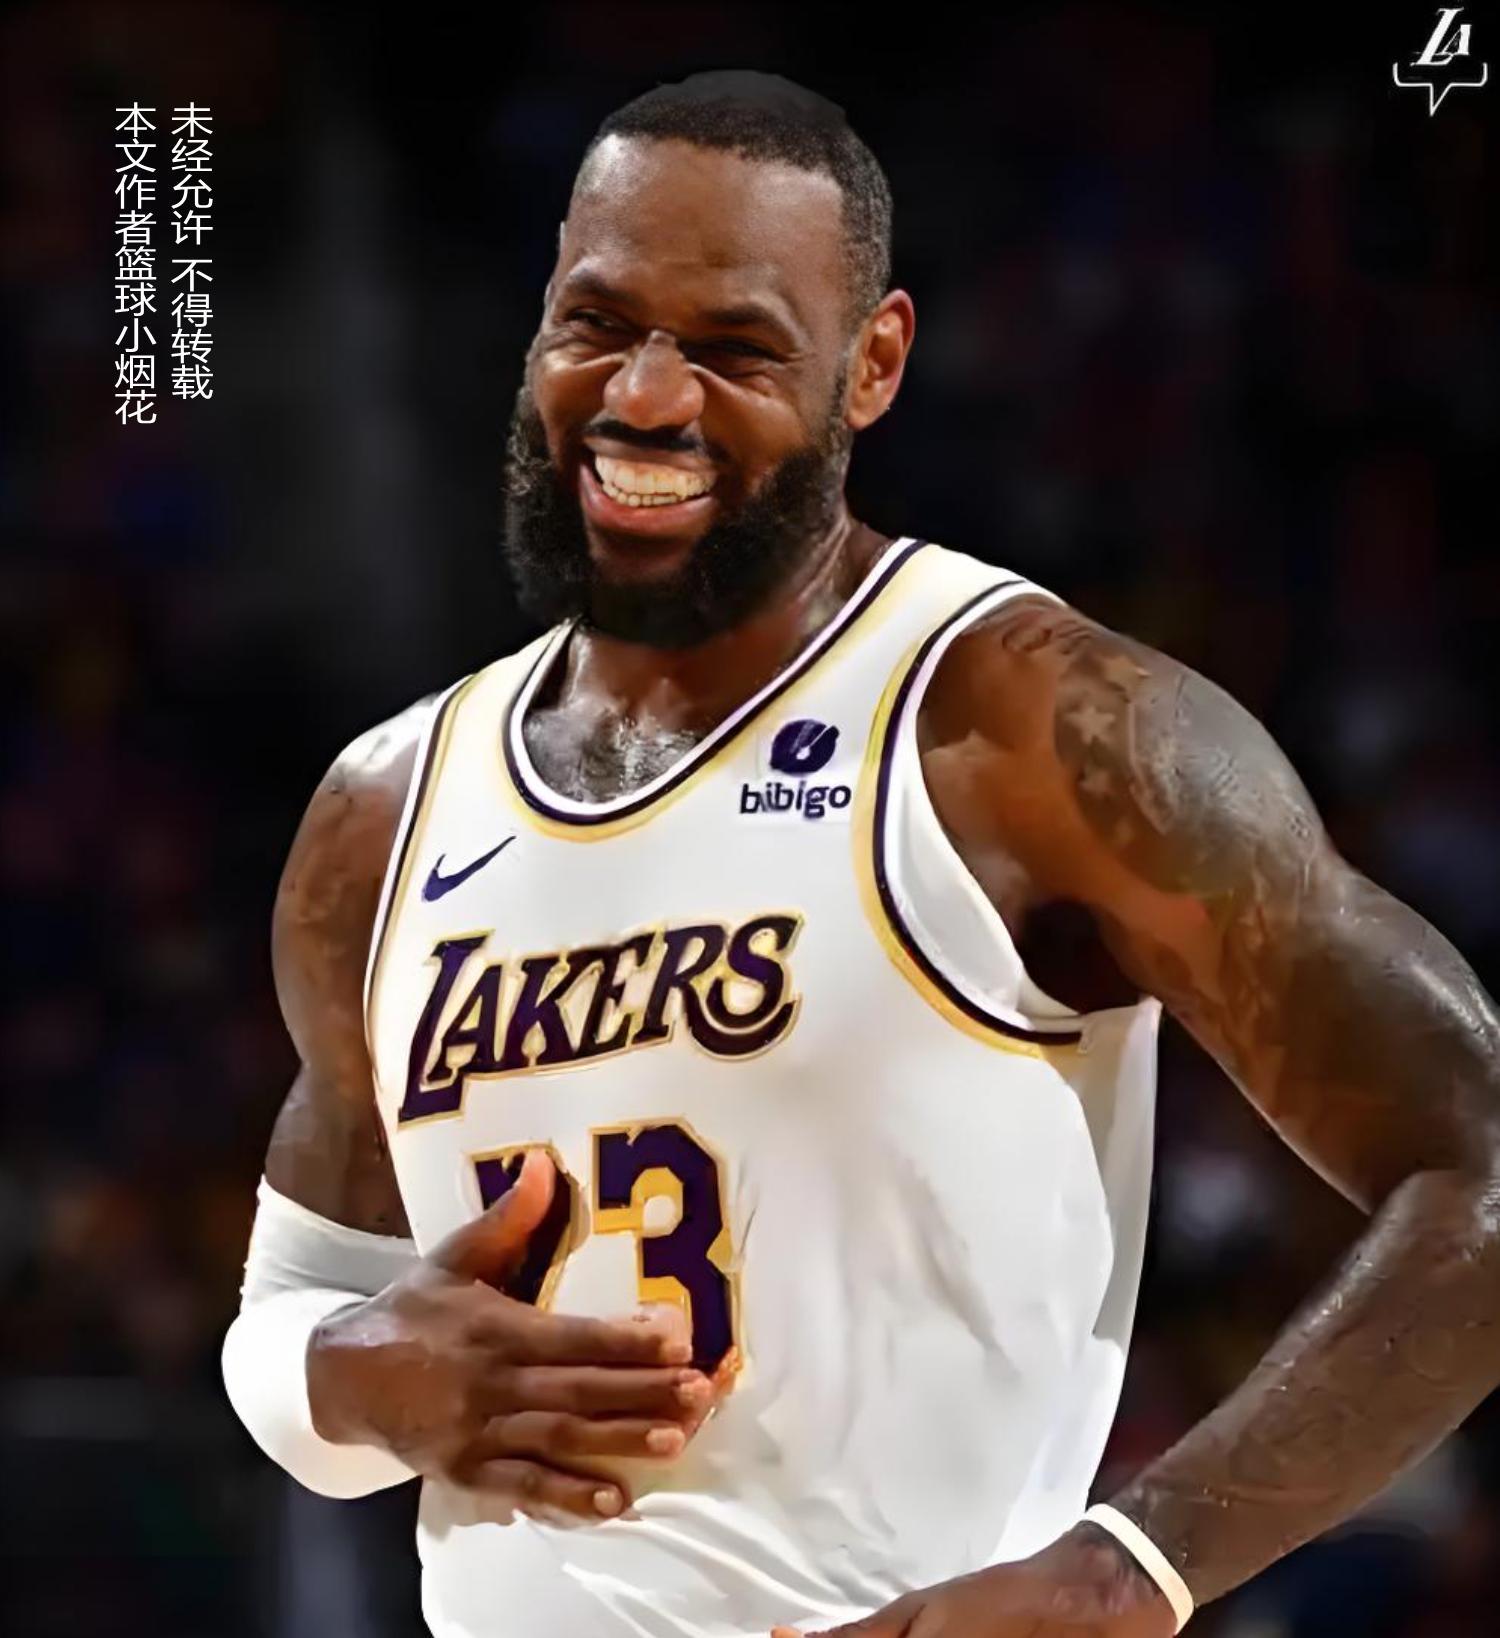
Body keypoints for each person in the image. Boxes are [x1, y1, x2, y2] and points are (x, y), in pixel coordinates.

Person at [221, 70, 1500, 1638]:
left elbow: (1479, 1167)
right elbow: (289, 1317)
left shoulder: (1028, 726)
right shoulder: (384, 809)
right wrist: (350, 1374)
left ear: (872, 364)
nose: (648, 397)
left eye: (736, 347)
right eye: (599, 322)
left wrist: (1129, 1569)